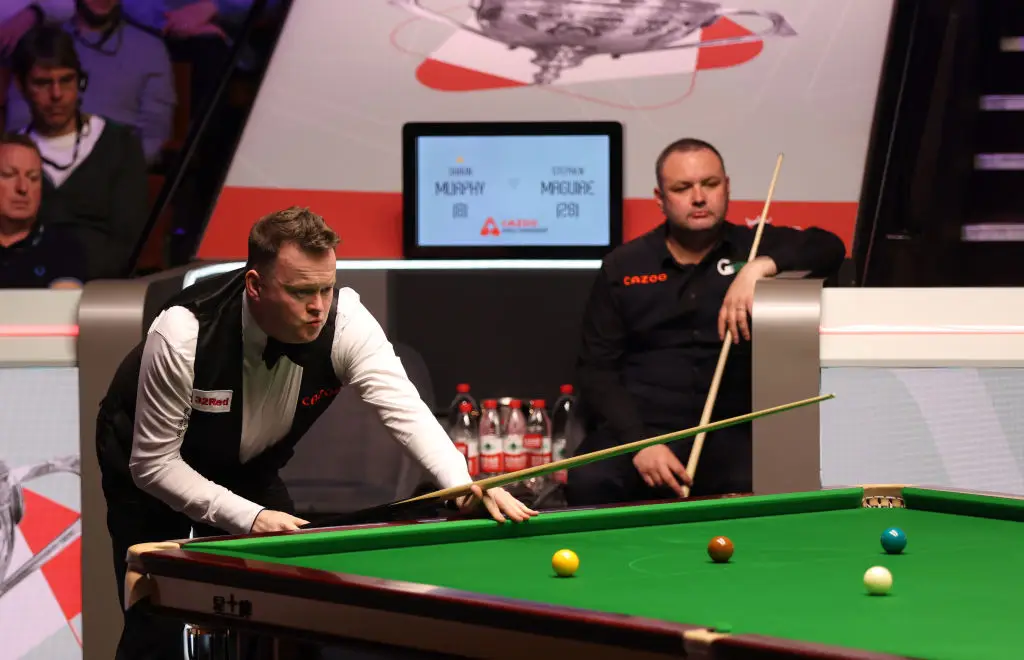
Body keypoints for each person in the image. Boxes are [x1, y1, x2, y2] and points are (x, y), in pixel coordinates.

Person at [95, 206, 538, 659]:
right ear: (255, 285)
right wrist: (251, 518)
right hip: (149, 466)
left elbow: (409, 412)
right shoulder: (184, 333)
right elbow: (154, 464)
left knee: (296, 608)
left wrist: (463, 483)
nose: (318, 307)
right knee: (155, 624)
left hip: (251, 465)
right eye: (301, 291)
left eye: (326, 288)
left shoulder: (345, 322)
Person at [565, 138, 846, 507]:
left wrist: (760, 267)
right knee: (590, 480)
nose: (699, 198)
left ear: (726, 187)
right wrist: (641, 444)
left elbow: (830, 246)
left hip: (730, 430)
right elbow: (597, 370)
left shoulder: (755, 244)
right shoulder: (624, 266)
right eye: (682, 188)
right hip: (642, 430)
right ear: (660, 198)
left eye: (710, 184)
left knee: (772, 489)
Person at [12, 24, 148, 279]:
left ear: (80, 80)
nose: (57, 94)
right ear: (21, 85)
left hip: (101, 293)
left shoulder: (119, 145)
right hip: (26, 291)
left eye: (66, 80)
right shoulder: (11, 155)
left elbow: (129, 240)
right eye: (42, 83)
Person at [0, 131, 85, 288]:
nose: (23, 188)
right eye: (9, 175)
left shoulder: (62, 247)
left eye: (33, 178)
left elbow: (61, 309)